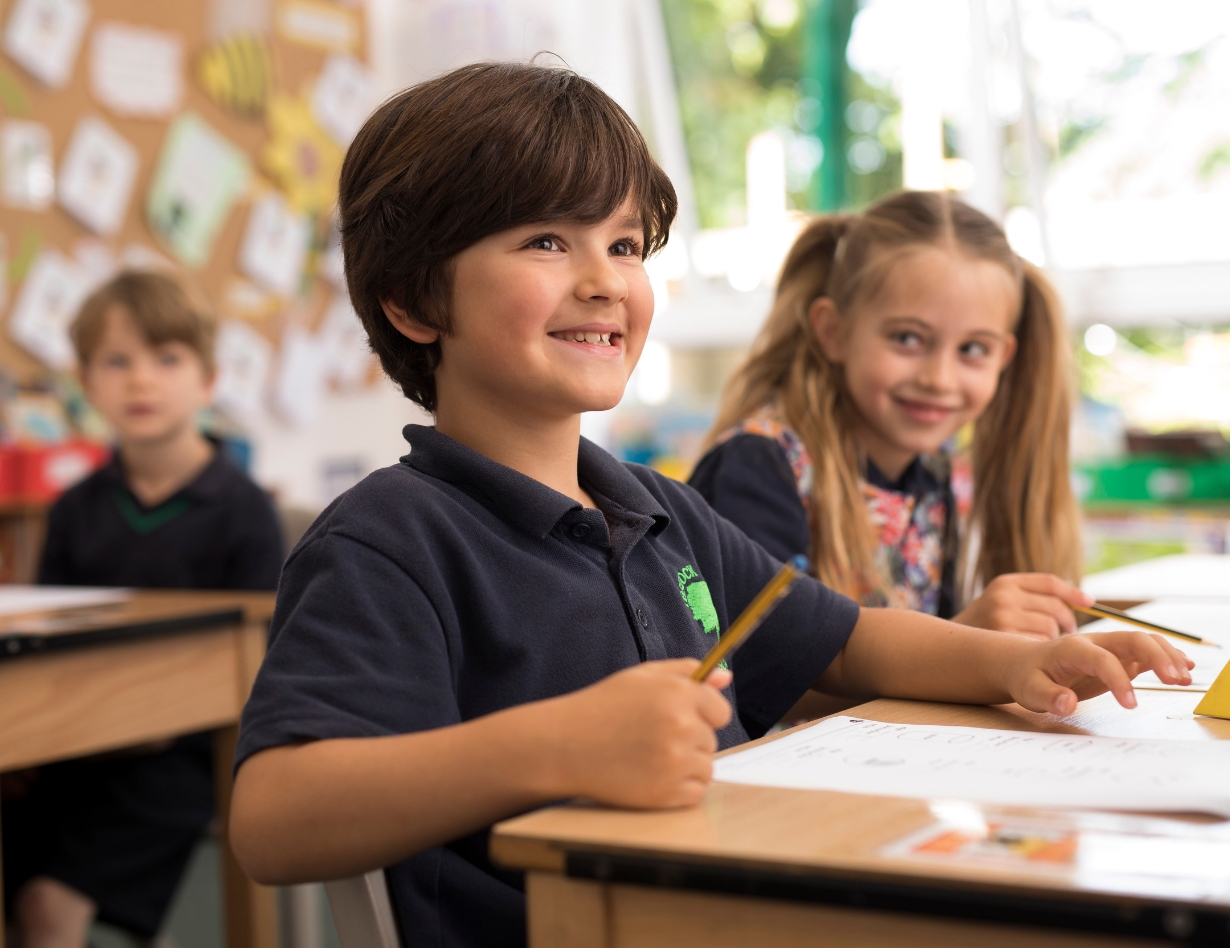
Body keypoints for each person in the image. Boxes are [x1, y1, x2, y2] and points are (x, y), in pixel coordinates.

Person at [228, 62, 1192, 948]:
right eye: (547, 241)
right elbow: (274, 819)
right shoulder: (387, 541)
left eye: (625, 243)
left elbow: (848, 642)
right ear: (412, 302)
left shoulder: (658, 511)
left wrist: (1015, 662)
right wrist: (555, 747)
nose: (604, 279)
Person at [2, 271, 283, 948]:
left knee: (46, 905)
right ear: (87, 382)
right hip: (73, 748)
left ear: (208, 379)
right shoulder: (73, 509)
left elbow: (266, 667)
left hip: (183, 760)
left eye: (167, 359)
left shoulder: (244, 511)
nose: (141, 382)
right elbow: (46, 639)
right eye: (116, 362)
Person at [692, 192, 1090, 638]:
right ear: (834, 331)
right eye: (907, 338)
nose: (939, 378)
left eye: (973, 349)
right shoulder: (760, 465)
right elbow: (757, 670)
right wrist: (964, 642)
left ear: (1004, 357)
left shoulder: (933, 476)